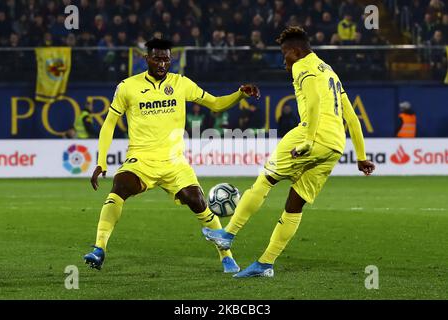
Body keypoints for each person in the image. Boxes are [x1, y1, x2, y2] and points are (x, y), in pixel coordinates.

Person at [203, 27, 375, 278]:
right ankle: (265, 264)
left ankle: (228, 234)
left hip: (310, 135)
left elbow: (314, 101)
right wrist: (360, 156)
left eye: (285, 55)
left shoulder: (302, 66)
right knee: (295, 204)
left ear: (295, 51)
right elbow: (352, 117)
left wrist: (307, 140)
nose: (284, 62)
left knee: (266, 179)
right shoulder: (330, 72)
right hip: (335, 145)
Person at [84, 38, 260, 273]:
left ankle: (226, 257)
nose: (162, 63)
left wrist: (240, 94)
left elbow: (216, 104)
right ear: (146, 58)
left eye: (166, 58)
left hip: (175, 162)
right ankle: (99, 248)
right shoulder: (127, 87)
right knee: (120, 186)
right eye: (157, 58)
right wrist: (101, 161)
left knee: (198, 201)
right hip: (141, 160)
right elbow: (109, 124)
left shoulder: (181, 83)